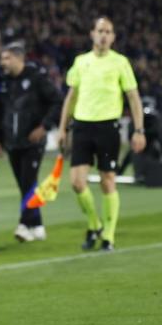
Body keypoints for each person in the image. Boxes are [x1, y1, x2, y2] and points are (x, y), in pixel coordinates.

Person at [57, 17, 146, 252]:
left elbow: (133, 98)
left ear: (113, 37)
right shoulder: (80, 62)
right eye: (100, 31)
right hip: (83, 126)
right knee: (77, 182)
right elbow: (71, 97)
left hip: (107, 126)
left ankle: (108, 235)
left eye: (108, 31)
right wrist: (62, 127)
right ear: (92, 34)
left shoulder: (120, 62)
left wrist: (139, 130)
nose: (104, 35)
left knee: (108, 181)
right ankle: (94, 224)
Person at [0, 43, 62, 242]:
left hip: (33, 141)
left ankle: (24, 224)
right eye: (2, 58)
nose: (3, 62)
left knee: (29, 181)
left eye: (7, 58)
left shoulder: (36, 78)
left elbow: (57, 100)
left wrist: (44, 126)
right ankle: (38, 225)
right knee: (25, 185)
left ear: (19, 58)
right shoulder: (5, 82)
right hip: (12, 142)